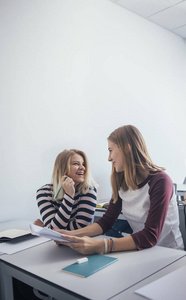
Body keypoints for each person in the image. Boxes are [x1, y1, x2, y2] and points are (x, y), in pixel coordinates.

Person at [55, 125, 184, 255]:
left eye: (111, 150)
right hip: (142, 251)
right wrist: (70, 235)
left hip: (169, 254)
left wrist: (102, 245)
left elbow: (150, 235)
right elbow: (106, 222)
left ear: (126, 149)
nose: (109, 158)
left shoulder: (160, 181)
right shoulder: (121, 182)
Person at [34, 149, 98, 230]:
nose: (83, 168)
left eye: (83, 164)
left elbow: (79, 228)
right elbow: (54, 229)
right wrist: (69, 195)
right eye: (76, 164)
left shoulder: (88, 189)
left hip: (79, 241)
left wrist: (46, 228)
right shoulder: (43, 193)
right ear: (62, 168)